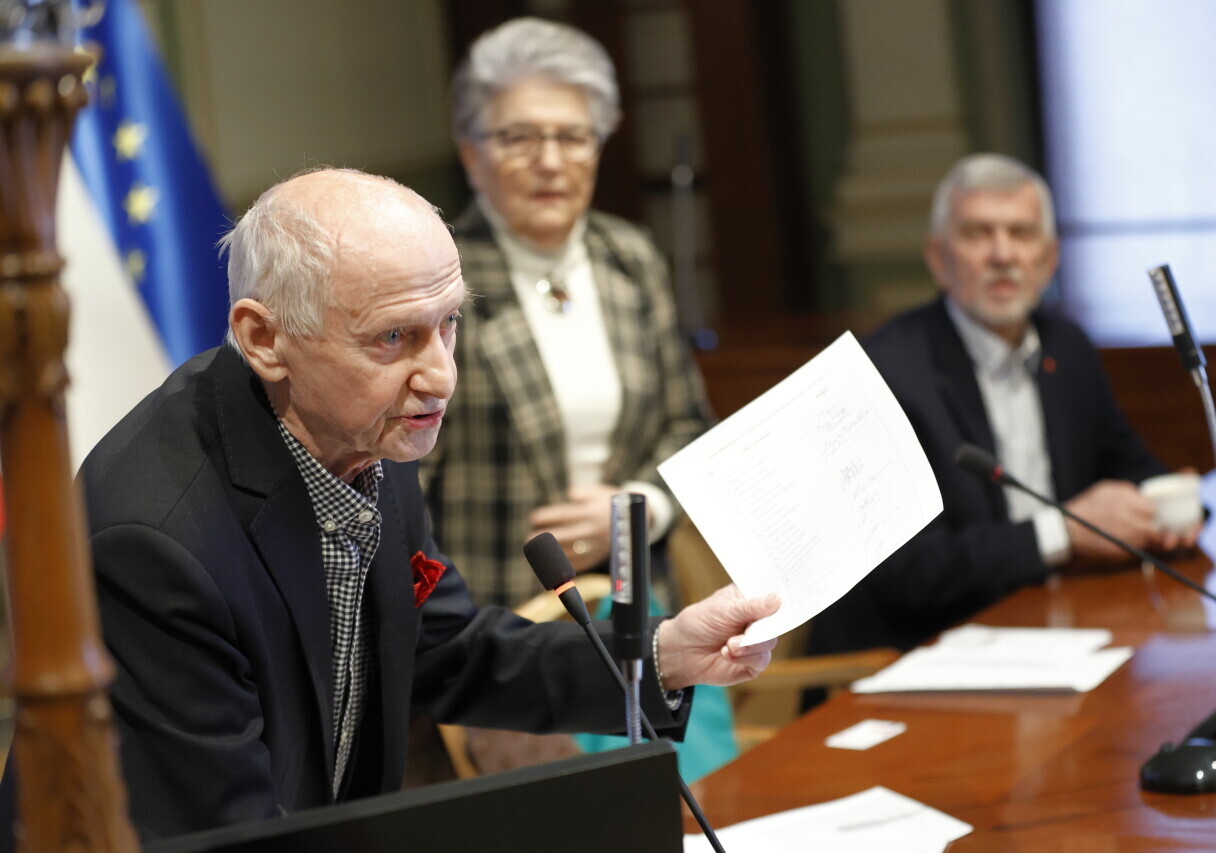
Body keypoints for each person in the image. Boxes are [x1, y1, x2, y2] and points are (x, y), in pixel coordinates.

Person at [13, 168, 776, 841]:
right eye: (393, 337)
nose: (440, 375)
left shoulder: (366, 428)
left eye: (450, 323)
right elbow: (227, 834)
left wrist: (663, 654)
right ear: (264, 338)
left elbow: (446, 649)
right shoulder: (155, 542)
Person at [419, 19, 735, 780]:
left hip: (641, 612)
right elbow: (402, 480)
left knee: (711, 807)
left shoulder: (631, 258)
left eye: (573, 136)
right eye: (520, 137)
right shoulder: (436, 277)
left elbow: (687, 423)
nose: (551, 160)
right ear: (472, 152)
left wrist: (642, 507)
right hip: (503, 642)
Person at [808, 153, 1197, 658]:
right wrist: (1064, 531)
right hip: (925, 650)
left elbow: (1132, 466)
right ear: (937, 258)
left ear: (1049, 260)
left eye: (1021, 233)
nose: (1002, 254)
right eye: (977, 234)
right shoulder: (881, 373)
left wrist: (1176, 509)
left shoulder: (1067, 348)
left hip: (1056, 622)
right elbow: (907, 571)